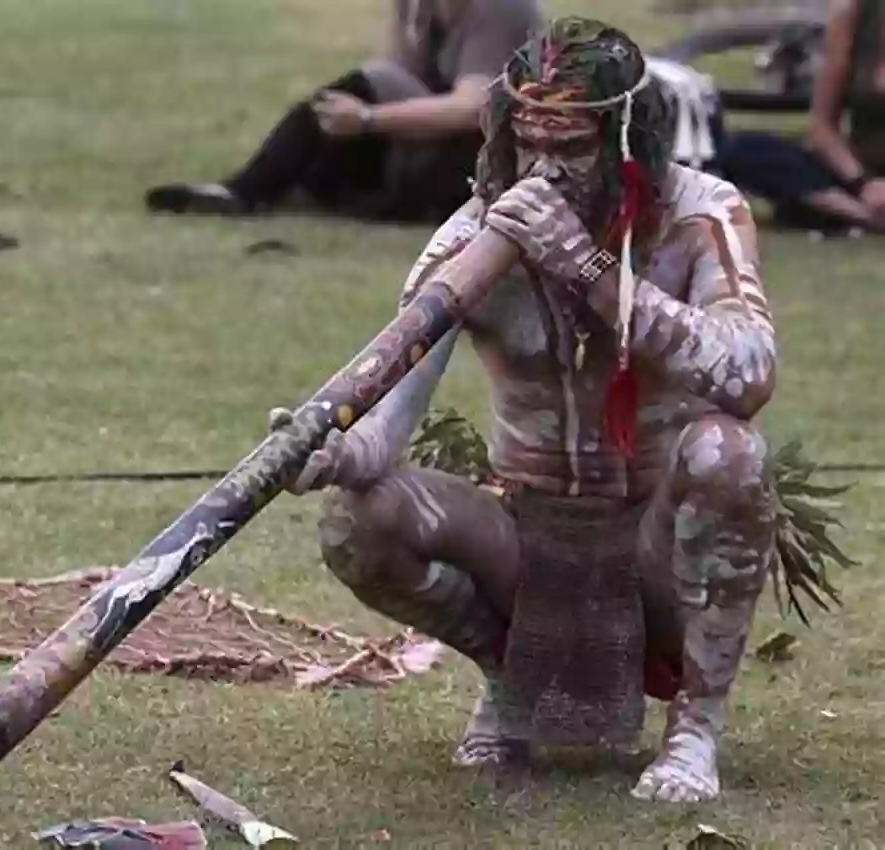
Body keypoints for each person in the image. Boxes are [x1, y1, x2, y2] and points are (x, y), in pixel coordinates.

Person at [271, 17, 777, 803]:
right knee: (357, 517)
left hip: (659, 544)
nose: (543, 170)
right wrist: (331, 449)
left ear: (626, 144)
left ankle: (695, 729)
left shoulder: (698, 216)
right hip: (525, 537)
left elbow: (748, 375)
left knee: (730, 456)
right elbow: (385, 422)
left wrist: (592, 272)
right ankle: (509, 675)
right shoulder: (474, 233)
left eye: (570, 148)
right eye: (527, 144)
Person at [144, 0, 544, 225]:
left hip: (488, 158)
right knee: (333, 140)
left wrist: (369, 119)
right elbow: (403, 71)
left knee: (364, 89)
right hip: (433, 142)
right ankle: (264, 188)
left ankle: (245, 191)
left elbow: (474, 109)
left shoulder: (500, 9)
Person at [715, 0, 885, 234]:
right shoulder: (853, 12)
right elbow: (821, 127)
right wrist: (863, 183)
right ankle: (864, 215)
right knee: (742, 149)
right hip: (859, 173)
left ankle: (829, 210)